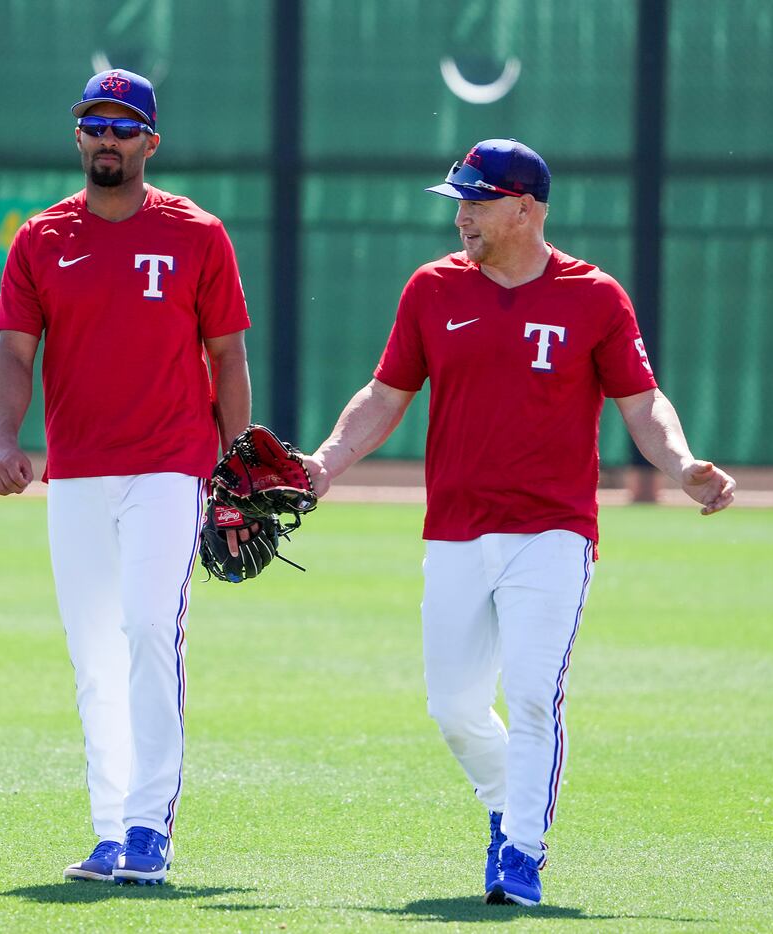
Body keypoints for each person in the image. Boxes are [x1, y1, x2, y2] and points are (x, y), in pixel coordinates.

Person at [303, 139, 736, 907]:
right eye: (459, 199)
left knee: (534, 693)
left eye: (477, 199)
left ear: (526, 208)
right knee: (454, 707)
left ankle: (521, 853)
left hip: (552, 528)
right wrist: (326, 462)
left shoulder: (593, 295)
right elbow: (384, 394)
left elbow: (641, 404)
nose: (462, 212)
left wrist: (682, 467)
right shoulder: (431, 289)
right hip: (457, 528)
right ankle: (510, 809)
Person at [0, 68, 253, 885]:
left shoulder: (197, 232)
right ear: (78, 137)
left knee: (146, 630)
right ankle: (109, 829)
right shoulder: (40, 237)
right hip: (75, 473)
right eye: (94, 124)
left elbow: (227, 357)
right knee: (92, 653)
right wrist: (3, 441)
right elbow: (14, 351)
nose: (107, 138)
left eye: (123, 125)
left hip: (170, 465)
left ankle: (148, 827)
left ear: (149, 142)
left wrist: (235, 470)